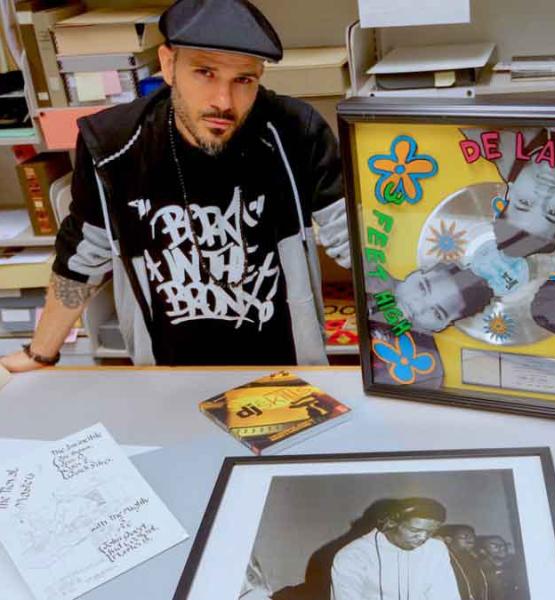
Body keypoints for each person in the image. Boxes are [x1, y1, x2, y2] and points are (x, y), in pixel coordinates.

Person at [0, 0, 350, 371]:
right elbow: (80, 259)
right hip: (168, 374)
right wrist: (39, 353)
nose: (223, 101)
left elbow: (353, 240)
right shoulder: (113, 145)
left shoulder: (295, 132)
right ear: (169, 65)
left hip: (284, 368)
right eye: (205, 72)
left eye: (243, 80)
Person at [331, 498, 461, 600]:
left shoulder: (435, 549)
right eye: (414, 530)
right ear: (390, 524)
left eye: (430, 532)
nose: (423, 537)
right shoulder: (354, 555)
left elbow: (446, 595)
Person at [383, 262, 494, 333]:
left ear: (443, 326)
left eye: (437, 313)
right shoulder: (368, 274)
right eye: (423, 288)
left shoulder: (429, 365)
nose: (417, 307)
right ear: (419, 271)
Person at [438, 525, 490, 600]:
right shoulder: (442, 561)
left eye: (473, 537)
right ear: (448, 539)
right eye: (465, 537)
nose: (471, 540)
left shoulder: (476, 560)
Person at [476, 535, 527, 600]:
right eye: (495, 546)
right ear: (483, 551)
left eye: (503, 544)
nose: (502, 548)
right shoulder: (478, 570)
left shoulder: (517, 563)